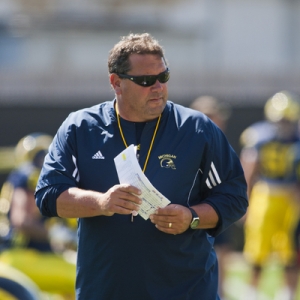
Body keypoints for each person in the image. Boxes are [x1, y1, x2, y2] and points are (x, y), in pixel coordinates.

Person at [35, 33, 248, 300]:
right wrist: (102, 203)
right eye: (146, 80)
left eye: (164, 77)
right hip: (105, 290)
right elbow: (48, 196)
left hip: (186, 290)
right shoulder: (80, 127)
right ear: (116, 82)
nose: (158, 87)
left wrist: (191, 217)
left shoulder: (197, 128)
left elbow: (235, 196)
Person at [0, 133, 76, 299]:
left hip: (22, 258)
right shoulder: (28, 176)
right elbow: (22, 220)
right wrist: (55, 235)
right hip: (22, 257)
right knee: (81, 275)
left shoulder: (20, 177)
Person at [240, 91, 300, 300]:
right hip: (265, 195)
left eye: (287, 120)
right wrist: (244, 200)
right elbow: (249, 169)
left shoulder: (296, 139)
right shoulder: (259, 136)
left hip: (292, 198)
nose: (283, 124)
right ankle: (253, 294)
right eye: (280, 119)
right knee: (258, 250)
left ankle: (288, 295)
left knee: (290, 252)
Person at [190, 95, 233, 300]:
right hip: (194, 209)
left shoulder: (221, 143)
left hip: (215, 208)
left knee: (220, 254)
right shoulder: (189, 144)